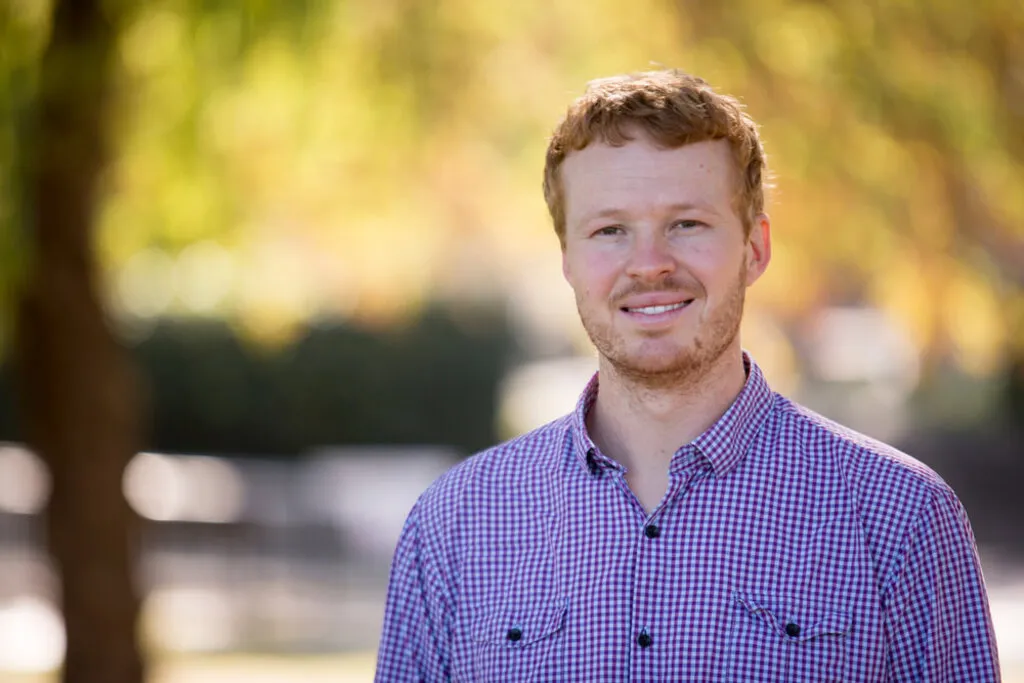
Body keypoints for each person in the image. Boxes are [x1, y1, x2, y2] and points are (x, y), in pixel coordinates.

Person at [374, 69, 1000, 681]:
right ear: (568, 260)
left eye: (686, 224)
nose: (649, 265)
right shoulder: (455, 524)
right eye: (610, 230)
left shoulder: (899, 516)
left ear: (755, 249)